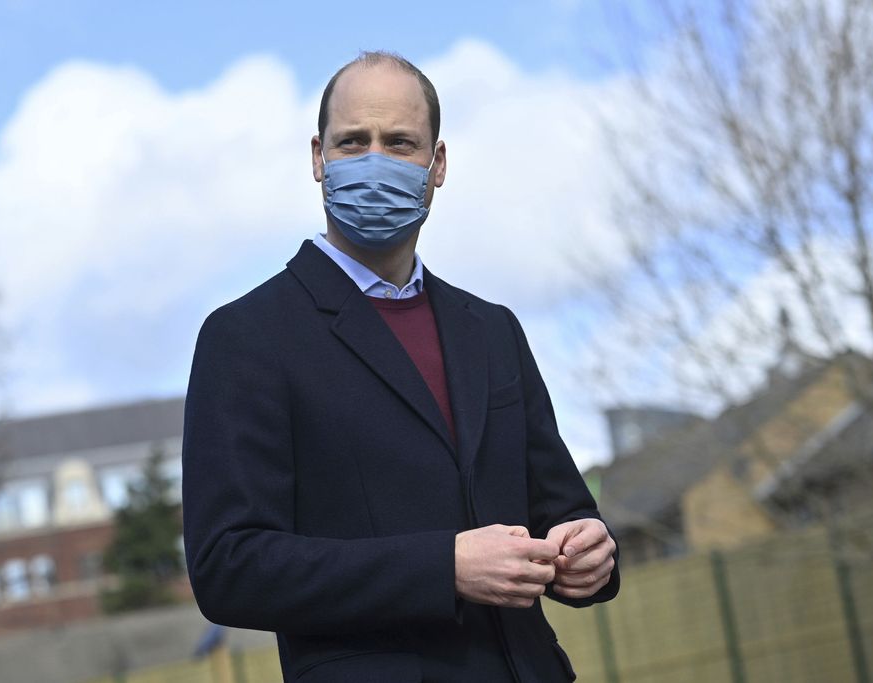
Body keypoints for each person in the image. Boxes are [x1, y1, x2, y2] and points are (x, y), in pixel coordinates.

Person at [182, 50, 620, 683]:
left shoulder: (491, 331)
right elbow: (230, 567)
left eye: (400, 142)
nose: (376, 161)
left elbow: (563, 508)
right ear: (317, 158)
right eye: (353, 142)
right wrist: (442, 567)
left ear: (436, 164)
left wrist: (589, 552)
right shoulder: (247, 338)